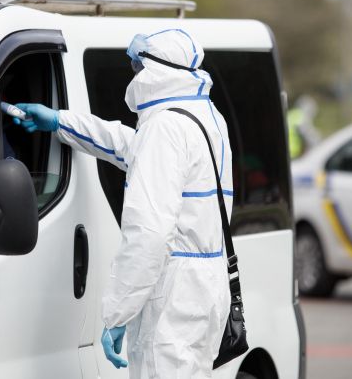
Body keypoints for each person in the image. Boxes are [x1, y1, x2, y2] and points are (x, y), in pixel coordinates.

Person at [14, 29, 233, 378]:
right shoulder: (205, 117)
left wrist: (118, 312)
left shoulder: (164, 127)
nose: (133, 72)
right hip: (205, 287)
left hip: (174, 295)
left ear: (155, 69)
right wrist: (59, 120)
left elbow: (149, 234)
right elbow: (131, 147)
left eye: (136, 64)